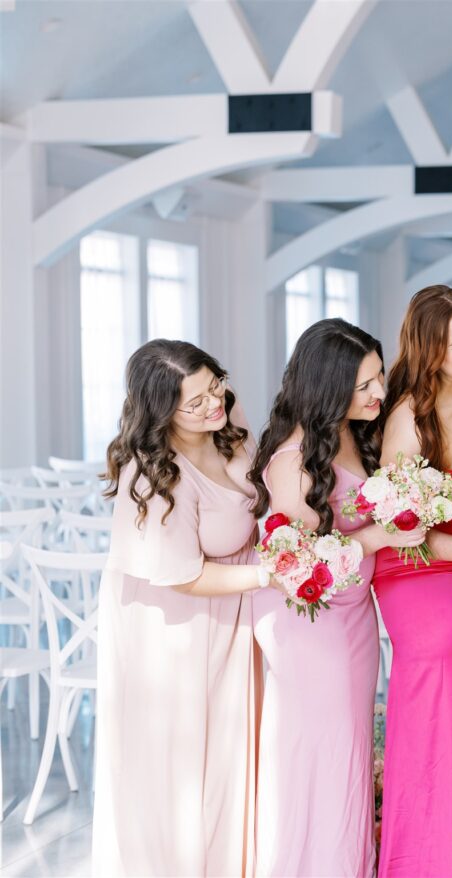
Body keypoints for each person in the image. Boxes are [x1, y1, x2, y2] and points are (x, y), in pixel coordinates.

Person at [248, 318, 424, 877]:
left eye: (377, 378)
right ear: (328, 387)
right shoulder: (293, 462)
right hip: (310, 632)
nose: (377, 393)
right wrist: (380, 535)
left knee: (347, 759)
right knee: (320, 760)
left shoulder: (353, 430)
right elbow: (306, 568)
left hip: (352, 624)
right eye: (364, 384)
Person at [93, 340, 267, 875]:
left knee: (231, 757)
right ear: (161, 410)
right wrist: (271, 575)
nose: (213, 404)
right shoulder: (151, 475)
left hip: (233, 612)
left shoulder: (228, 420)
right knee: (186, 766)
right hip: (177, 630)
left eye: (214, 383)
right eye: (194, 403)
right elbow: (184, 576)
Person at [374, 285, 452, 877]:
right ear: (430, 351)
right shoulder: (409, 420)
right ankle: (426, 861)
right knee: (439, 709)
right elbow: (400, 528)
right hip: (422, 571)